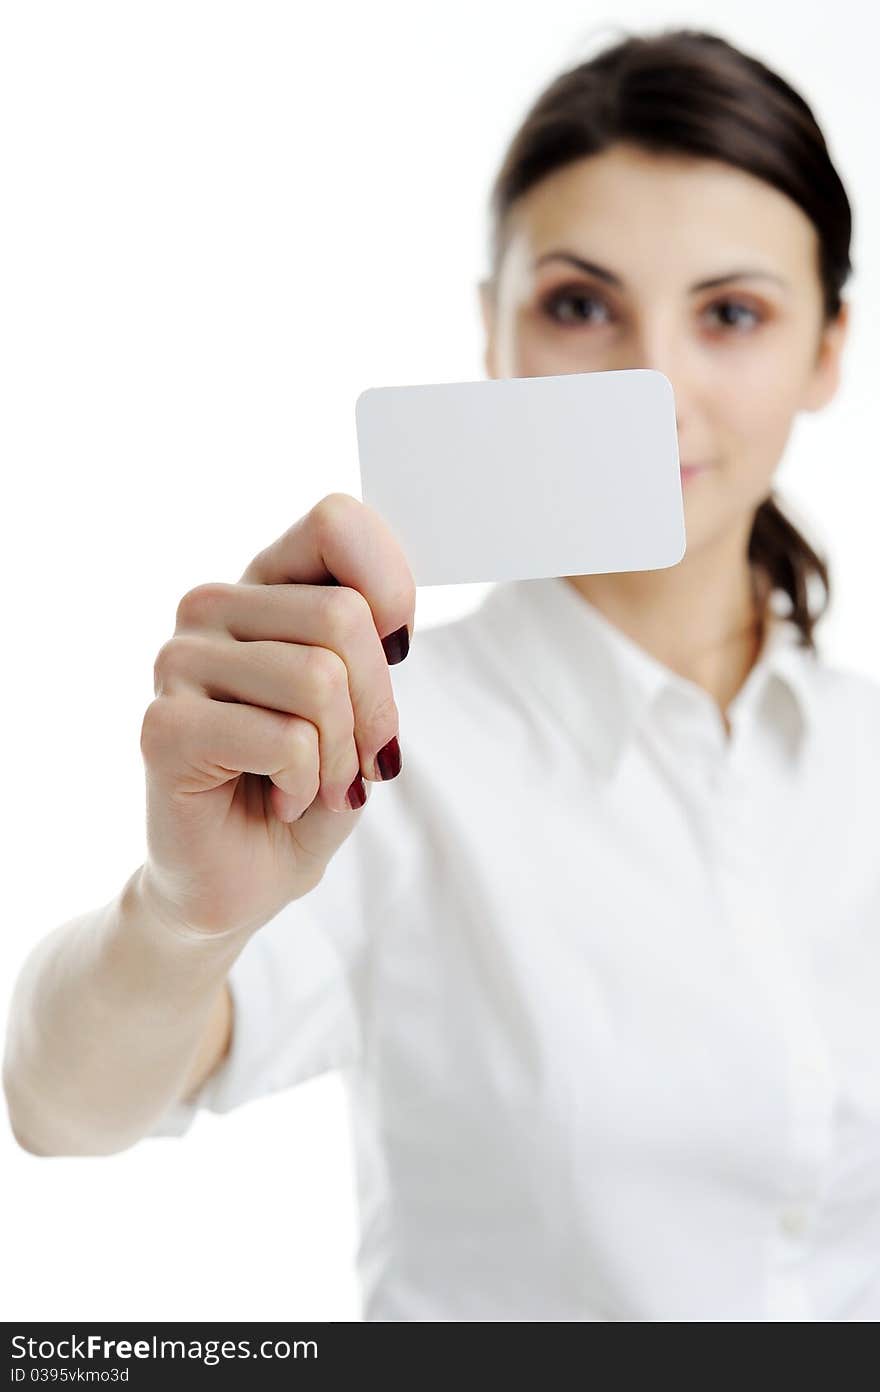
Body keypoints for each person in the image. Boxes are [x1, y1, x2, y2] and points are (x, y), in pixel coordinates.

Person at [3, 26, 878, 1322]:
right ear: (493, 330)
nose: (656, 381)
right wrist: (184, 911)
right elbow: (60, 1100)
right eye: (581, 304)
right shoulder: (371, 752)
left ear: (826, 351)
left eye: (732, 314)